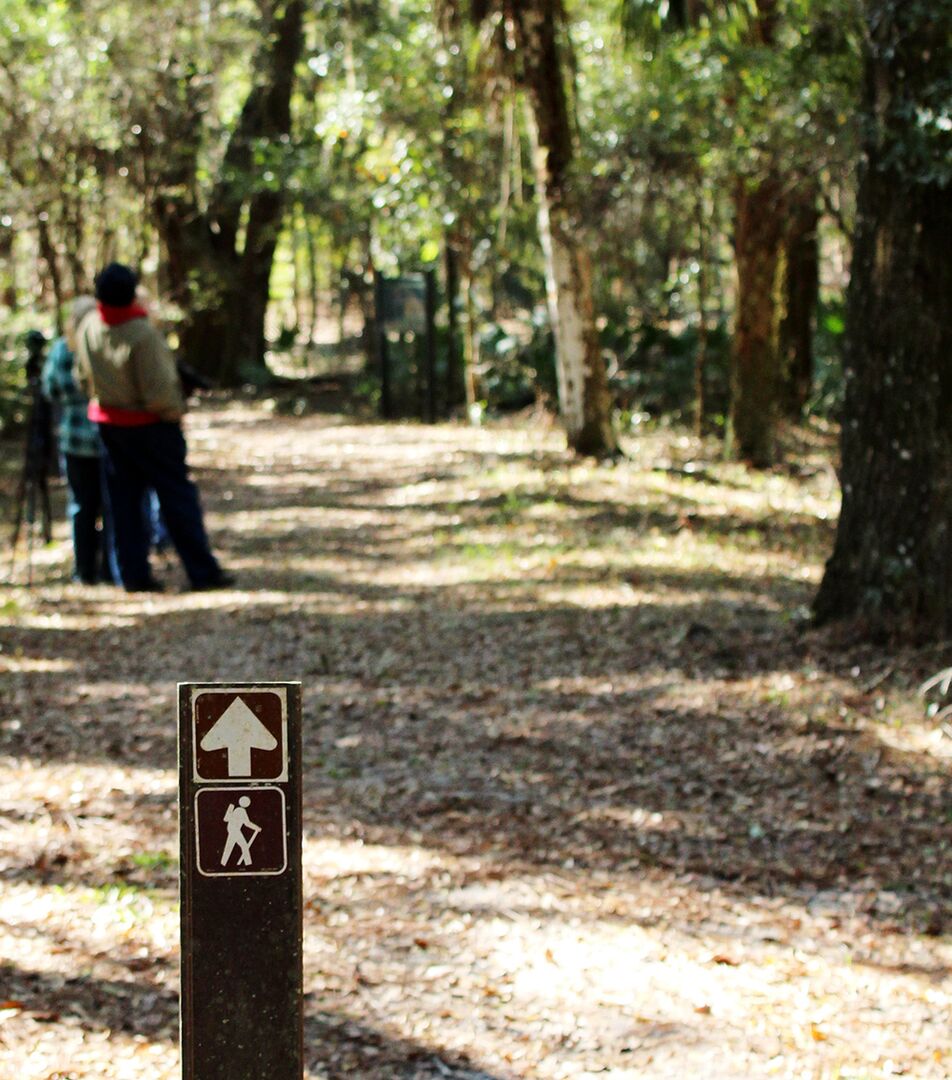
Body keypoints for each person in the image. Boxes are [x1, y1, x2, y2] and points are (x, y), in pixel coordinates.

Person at [75, 262, 233, 592]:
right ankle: (202, 572)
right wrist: (174, 412)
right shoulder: (142, 333)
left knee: (123, 505)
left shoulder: (89, 326)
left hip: (111, 428)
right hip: (152, 428)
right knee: (177, 499)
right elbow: (159, 389)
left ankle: (132, 575)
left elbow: (82, 377)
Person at [41, 299, 115, 585]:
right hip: (102, 437)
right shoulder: (100, 343)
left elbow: (51, 390)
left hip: (75, 440)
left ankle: (85, 570)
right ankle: (108, 568)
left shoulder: (62, 350)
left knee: (82, 506)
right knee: (106, 505)